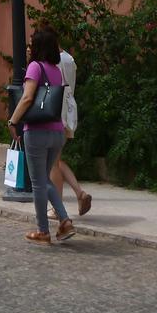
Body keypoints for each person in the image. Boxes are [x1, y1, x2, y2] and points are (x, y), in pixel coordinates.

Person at [8, 25, 73, 244]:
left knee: (38, 182)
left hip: (37, 132)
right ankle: (64, 221)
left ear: (38, 47)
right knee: (45, 180)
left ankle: (44, 230)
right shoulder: (56, 69)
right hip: (56, 133)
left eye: (31, 43)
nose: (28, 47)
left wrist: (13, 120)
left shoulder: (35, 67)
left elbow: (27, 98)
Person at [51, 46, 93, 217]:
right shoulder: (69, 59)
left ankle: (57, 208)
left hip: (55, 111)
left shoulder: (52, 62)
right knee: (57, 160)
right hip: (68, 111)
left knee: (53, 163)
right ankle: (79, 194)